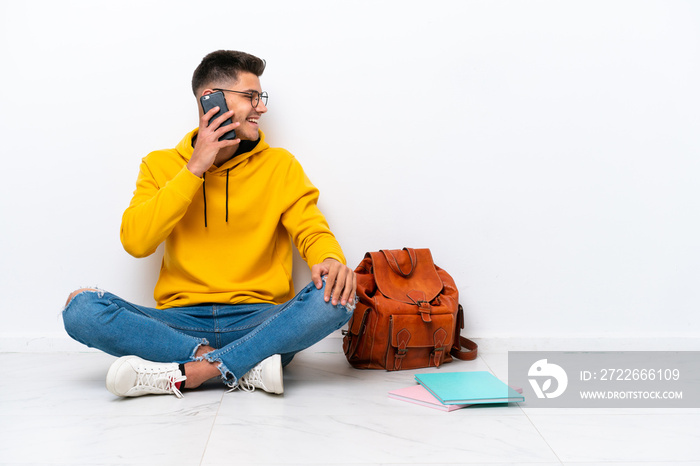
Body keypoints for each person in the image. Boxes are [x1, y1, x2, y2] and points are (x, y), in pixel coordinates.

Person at [62, 50, 356, 398]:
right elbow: (136, 242)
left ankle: (195, 371)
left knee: (340, 296)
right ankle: (241, 366)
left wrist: (330, 259)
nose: (261, 107)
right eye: (251, 96)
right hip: (179, 323)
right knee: (80, 308)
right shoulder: (160, 165)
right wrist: (193, 169)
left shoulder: (280, 165)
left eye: (260, 97)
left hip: (260, 321)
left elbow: (311, 228)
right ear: (210, 100)